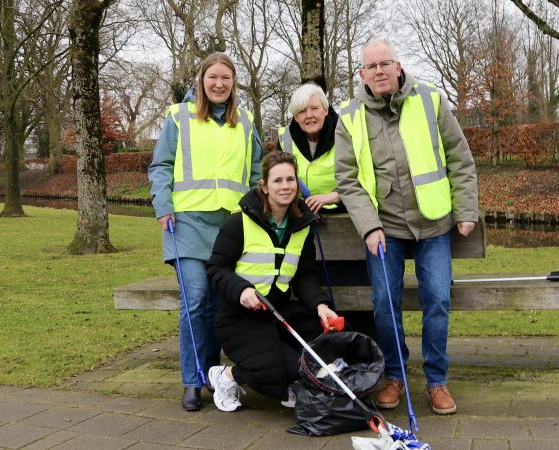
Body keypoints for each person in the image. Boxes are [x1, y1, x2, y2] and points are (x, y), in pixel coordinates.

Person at [334, 38, 479, 415]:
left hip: (433, 224)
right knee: (384, 303)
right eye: (372, 66)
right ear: (361, 74)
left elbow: (459, 158)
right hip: (385, 228)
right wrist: (368, 227)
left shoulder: (431, 101)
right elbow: (347, 180)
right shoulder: (349, 118)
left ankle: (437, 381)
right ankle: (394, 376)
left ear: (398, 67)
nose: (379, 71)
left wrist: (466, 210)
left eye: (385, 63)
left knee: (438, 300)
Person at [147, 52, 263, 412]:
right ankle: (192, 380)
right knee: (195, 301)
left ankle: (214, 375)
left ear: (233, 83)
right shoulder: (179, 117)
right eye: (212, 77)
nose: (218, 84)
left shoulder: (244, 120)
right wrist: (163, 205)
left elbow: (257, 169)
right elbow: (161, 165)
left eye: (226, 78)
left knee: (217, 305)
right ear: (201, 80)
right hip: (186, 224)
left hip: (229, 227)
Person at [205, 150, 339, 412]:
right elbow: (216, 270)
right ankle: (226, 377)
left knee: (324, 350)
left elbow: (304, 276)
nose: (285, 186)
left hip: (278, 312)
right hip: (239, 317)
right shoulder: (238, 223)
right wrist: (241, 289)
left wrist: (321, 306)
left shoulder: (301, 225)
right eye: (277, 181)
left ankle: (289, 380)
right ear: (264, 186)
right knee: (284, 369)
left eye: (291, 179)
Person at [277, 83, 344, 214]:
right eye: (302, 111)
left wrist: (337, 195)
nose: (309, 115)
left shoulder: (346, 133)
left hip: (342, 214)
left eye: (314, 108)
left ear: (326, 110)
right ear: (295, 117)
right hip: (298, 215)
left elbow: (363, 177)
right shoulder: (284, 138)